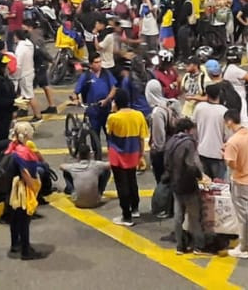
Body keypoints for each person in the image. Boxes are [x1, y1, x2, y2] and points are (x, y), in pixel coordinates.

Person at [164, 117, 211, 255]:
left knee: (178, 217)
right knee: (194, 216)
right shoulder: (188, 143)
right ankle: (199, 245)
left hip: (175, 184)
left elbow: (166, 162)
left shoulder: (171, 141)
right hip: (188, 185)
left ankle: (180, 246)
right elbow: (192, 163)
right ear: (187, 130)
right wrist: (200, 176)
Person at [223, 109, 248, 259]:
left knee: (242, 216)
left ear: (229, 121)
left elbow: (232, 164)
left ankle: (244, 247)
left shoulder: (233, 142)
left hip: (241, 181)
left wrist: (226, 154)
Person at [106, 89, 148, 227]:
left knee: (121, 184)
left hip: (117, 155)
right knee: (132, 180)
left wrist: (113, 111)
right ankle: (135, 208)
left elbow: (109, 132)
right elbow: (142, 138)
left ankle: (126, 216)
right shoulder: (139, 115)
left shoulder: (113, 117)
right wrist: (141, 155)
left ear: (116, 102)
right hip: (133, 152)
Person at [6, 121, 45, 260]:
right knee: (24, 219)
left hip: (11, 187)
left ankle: (15, 244)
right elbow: (26, 173)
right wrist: (34, 187)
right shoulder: (24, 151)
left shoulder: (12, 146)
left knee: (15, 217)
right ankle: (26, 250)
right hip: (22, 187)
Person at [72, 54, 117, 149]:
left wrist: (107, 99)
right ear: (91, 64)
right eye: (96, 62)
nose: (99, 64)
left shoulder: (106, 73)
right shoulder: (86, 76)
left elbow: (113, 88)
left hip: (106, 110)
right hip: (93, 111)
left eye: (100, 62)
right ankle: (97, 154)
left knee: (110, 134)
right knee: (95, 135)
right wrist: (75, 99)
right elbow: (76, 91)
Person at [145, 79, 180, 184]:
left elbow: (159, 138)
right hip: (173, 147)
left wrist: (157, 152)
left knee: (163, 183)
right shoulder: (171, 104)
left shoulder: (157, 112)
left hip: (163, 153)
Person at [192, 84, 228, 180]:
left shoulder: (199, 108)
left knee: (206, 184)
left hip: (202, 151)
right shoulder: (224, 111)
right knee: (219, 185)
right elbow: (227, 135)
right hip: (218, 153)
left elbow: (194, 128)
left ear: (207, 95)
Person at [60, 144, 111, 209]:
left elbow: (61, 166)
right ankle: (98, 192)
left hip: (78, 202)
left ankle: (70, 190)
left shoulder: (73, 167)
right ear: (89, 154)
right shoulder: (96, 165)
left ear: (78, 155)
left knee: (66, 172)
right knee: (106, 171)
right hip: (95, 201)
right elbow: (109, 165)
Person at [14, 29, 42, 123]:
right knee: (26, 95)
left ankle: (38, 115)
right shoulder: (29, 44)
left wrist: (14, 74)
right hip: (30, 71)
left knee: (29, 95)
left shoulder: (21, 48)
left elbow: (18, 63)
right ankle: (23, 111)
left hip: (24, 73)